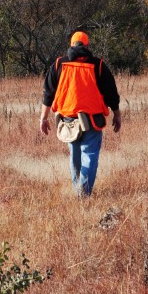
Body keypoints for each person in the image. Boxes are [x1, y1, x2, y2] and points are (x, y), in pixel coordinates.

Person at [40, 31, 121, 197]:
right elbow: (111, 93)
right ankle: (82, 194)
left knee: (75, 156)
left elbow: (48, 94)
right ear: (87, 45)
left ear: (71, 45)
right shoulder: (98, 65)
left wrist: (43, 117)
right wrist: (117, 114)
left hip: (68, 120)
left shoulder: (59, 64)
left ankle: (78, 189)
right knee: (89, 157)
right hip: (92, 120)